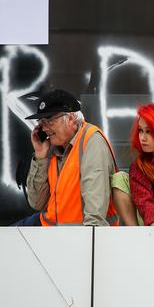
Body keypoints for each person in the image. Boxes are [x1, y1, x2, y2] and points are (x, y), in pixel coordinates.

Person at [22, 89, 119, 226]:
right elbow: (37, 202)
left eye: (49, 120)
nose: (44, 129)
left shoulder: (92, 142)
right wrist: (40, 156)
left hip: (75, 234)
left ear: (71, 118)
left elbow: (95, 212)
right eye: (42, 122)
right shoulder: (51, 145)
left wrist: (90, 240)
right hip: (49, 227)